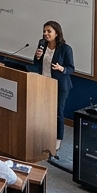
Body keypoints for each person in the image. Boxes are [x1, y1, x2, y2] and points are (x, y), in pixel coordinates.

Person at [35, 19, 76, 148]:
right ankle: (43, 134)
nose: (46, 34)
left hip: (60, 86)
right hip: (43, 83)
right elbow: (36, 64)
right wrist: (37, 57)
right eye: (44, 31)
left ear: (57, 33)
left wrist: (61, 68)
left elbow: (71, 68)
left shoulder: (65, 49)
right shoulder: (42, 45)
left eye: (49, 31)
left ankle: (58, 139)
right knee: (42, 111)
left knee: (58, 112)